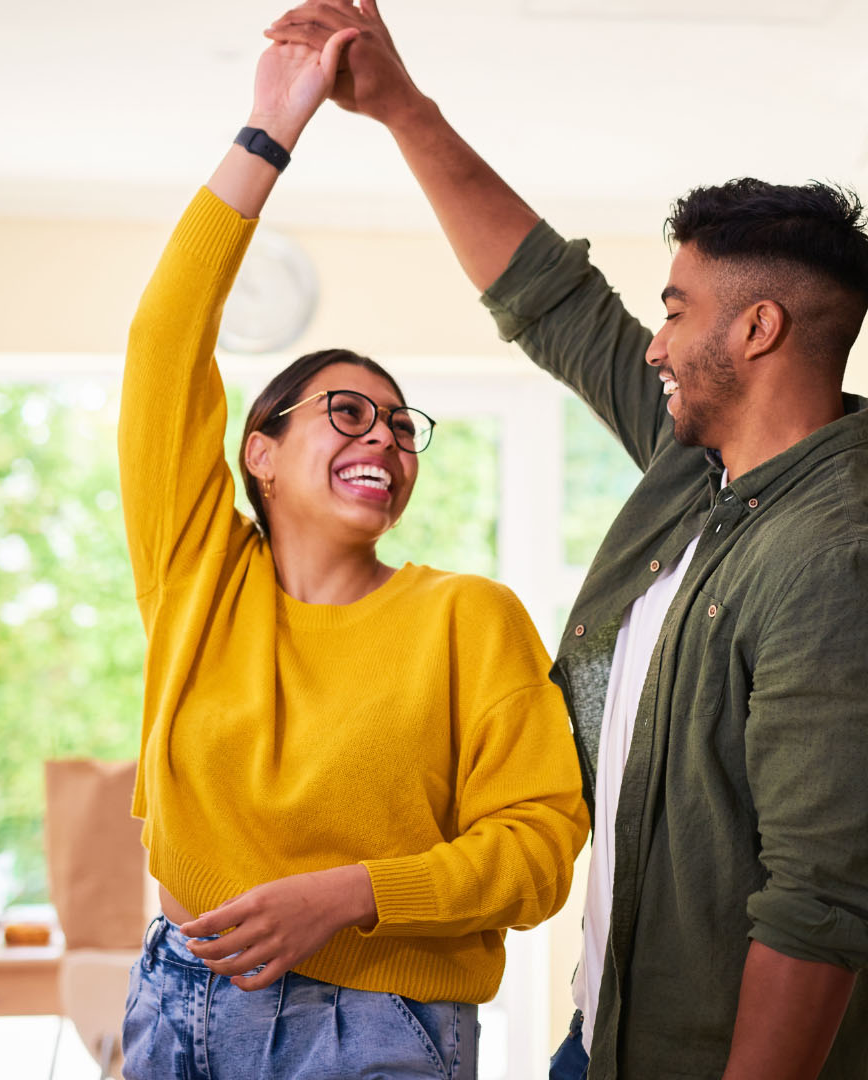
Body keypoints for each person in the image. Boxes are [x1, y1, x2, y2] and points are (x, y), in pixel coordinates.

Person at [265, 5, 868, 1079]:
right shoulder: (707, 472)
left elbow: (818, 910)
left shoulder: (839, 564)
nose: (657, 341)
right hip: (605, 1039)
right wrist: (400, 108)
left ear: (757, 330)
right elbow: (554, 302)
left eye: (678, 310)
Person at [116, 29, 590, 1080]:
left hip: (375, 1024)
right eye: (345, 411)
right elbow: (162, 346)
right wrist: (271, 128)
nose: (383, 435)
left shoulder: (467, 618)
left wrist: (347, 895)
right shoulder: (199, 576)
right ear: (263, 453)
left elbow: (539, 848)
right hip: (177, 998)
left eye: (400, 424)